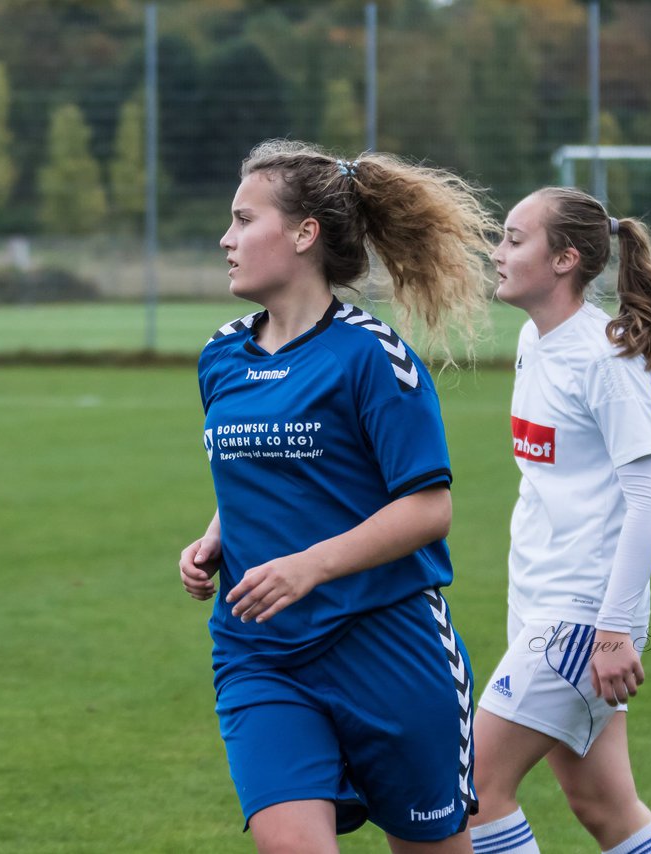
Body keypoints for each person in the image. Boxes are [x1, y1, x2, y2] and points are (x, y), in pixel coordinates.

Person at [179, 139, 497, 854]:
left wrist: (308, 566)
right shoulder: (222, 354)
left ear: (303, 233)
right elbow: (260, 473)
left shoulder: (371, 356)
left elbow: (428, 507)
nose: (226, 239)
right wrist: (217, 536)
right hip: (259, 650)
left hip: (386, 647)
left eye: (243, 219)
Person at [468, 187, 651, 854]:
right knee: (603, 805)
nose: (497, 252)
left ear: (565, 259)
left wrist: (614, 630)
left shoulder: (606, 359)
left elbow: (648, 500)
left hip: (582, 618)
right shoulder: (534, 341)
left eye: (514, 238)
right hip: (540, 604)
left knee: (474, 793)